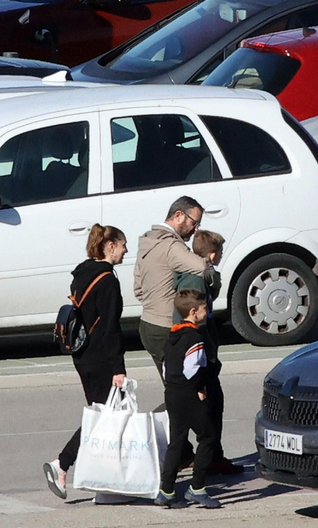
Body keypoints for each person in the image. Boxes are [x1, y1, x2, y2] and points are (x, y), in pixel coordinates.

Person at [43, 224, 128, 499]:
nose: (126, 250)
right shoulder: (108, 281)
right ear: (110, 246)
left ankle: (102, 481)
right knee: (102, 417)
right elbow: (111, 328)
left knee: (101, 414)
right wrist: (118, 369)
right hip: (101, 356)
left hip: (82, 355)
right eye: (123, 244)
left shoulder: (82, 273)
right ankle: (62, 464)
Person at [172, 229, 244, 476]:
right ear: (213, 255)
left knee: (213, 406)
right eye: (220, 253)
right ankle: (209, 462)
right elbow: (195, 319)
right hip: (201, 356)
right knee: (210, 409)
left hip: (204, 352)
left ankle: (212, 456)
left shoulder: (199, 276)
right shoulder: (197, 280)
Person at [157, 289, 223, 509]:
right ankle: (197, 488)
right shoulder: (195, 337)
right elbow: (192, 369)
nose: (206, 312)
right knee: (208, 436)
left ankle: (166, 490)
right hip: (188, 394)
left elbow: (167, 369)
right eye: (204, 309)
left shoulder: (172, 336)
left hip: (172, 393)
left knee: (176, 441)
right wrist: (200, 388)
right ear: (194, 312)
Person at [134, 196, 214, 373]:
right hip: (166, 326)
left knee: (172, 385)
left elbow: (138, 289)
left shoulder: (147, 242)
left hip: (147, 324)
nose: (196, 229)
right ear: (178, 215)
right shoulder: (171, 245)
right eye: (194, 222)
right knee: (183, 389)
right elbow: (202, 268)